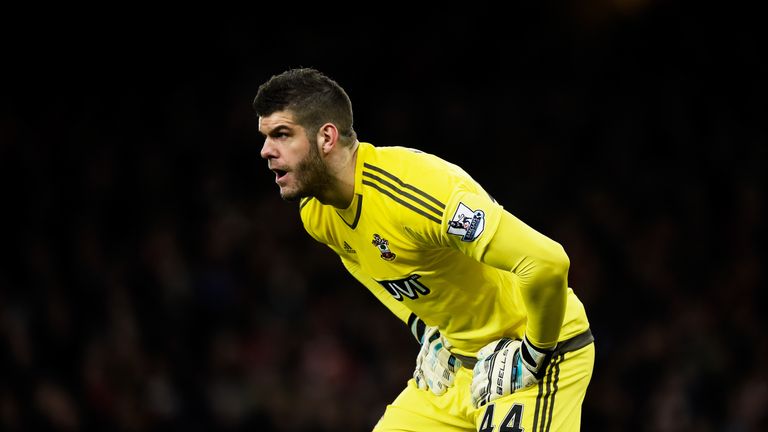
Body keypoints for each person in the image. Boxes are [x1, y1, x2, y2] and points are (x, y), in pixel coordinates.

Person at [253, 67, 594, 432]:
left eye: (281, 135)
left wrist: (533, 353)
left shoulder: (412, 191)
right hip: (462, 365)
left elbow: (547, 261)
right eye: (265, 136)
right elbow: (364, 265)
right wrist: (423, 326)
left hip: (535, 352)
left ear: (326, 137)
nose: (265, 151)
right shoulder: (317, 212)